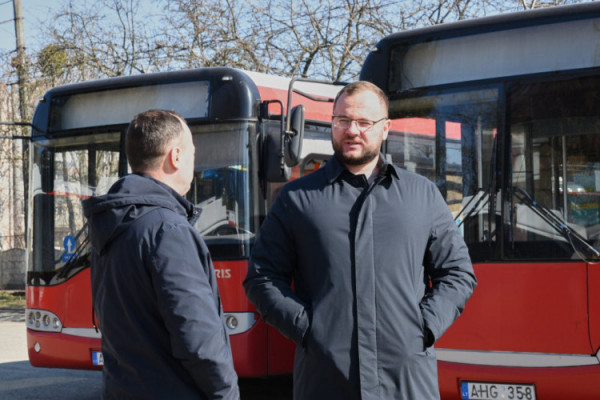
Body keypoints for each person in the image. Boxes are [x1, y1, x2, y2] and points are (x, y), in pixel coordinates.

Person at [243, 81, 477, 399]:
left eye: (364, 122)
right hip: (326, 382)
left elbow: (457, 273)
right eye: (343, 120)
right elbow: (262, 279)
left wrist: (424, 327)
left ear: (385, 129)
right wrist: (309, 329)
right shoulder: (296, 199)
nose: (352, 130)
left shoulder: (421, 194)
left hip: (406, 383)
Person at [83, 109, 239, 399]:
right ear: (176, 156)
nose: (195, 161)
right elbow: (199, 341)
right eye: (192, 152)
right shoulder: (169, 230)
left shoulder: (114, 220)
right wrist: (227, 394)